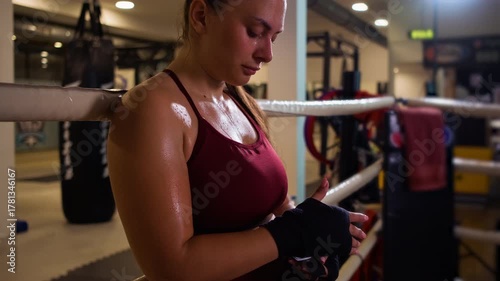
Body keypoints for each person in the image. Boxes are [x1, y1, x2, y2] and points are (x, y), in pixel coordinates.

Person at [107, 0, 368, 280]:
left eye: (274, 38)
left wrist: (313, 238)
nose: (268, 54)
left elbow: (278, 209)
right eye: (255, 32)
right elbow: (172, 268)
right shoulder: (153, 108)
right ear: (201, 17)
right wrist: (296, 231)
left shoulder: (241, 102)